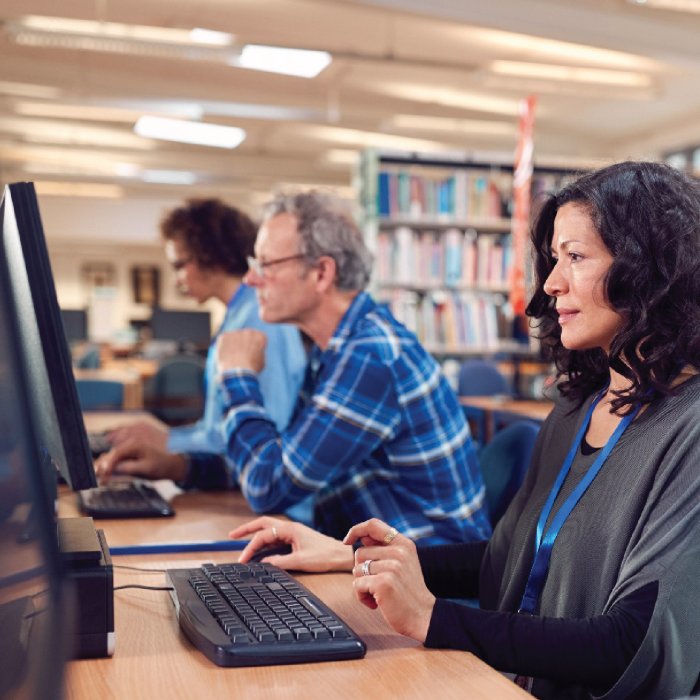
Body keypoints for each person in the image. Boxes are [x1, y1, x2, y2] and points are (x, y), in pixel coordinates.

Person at [230, 162, 700, 699]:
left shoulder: (689, 429)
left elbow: (630, 643)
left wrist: (435, 620)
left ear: (650, 269)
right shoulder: (577, 409)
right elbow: (505, 560)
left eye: (575, 256)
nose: (550, 283)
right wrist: (354, 559)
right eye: (553, 259)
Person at [99, 192, 491, 544]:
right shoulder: (335, 349)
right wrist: (179, 466)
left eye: (266, 264)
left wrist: (237, 377)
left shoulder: (369, 356)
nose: (251, 278)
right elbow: (281, 462)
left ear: (322, 273)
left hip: (429, 577)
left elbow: (268, 486)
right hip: (373, 560)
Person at [102, 198, 306, 483]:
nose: (175, 280)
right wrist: (167, 438)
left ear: (210, 256)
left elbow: (264, 434)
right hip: (232, 484)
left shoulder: (261, 320)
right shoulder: (237, 315)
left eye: (179, 265)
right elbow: (220, 427)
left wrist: (170, 443)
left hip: (261, 499)